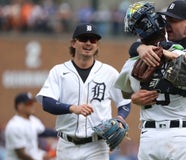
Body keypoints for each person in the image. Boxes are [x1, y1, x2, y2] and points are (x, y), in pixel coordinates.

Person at [116, 1, 186, 159]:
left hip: (150, 136)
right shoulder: (182, 56)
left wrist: (135, 96)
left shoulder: (130, 63)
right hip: (180, 134)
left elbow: (125, 92)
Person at [36, 23, 131, 160]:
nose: (88, 43)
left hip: (97, 146)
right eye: (83, 39)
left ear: (97, 45)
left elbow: (125, 102)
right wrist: (72, 108)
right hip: (67, 145)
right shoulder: (59, 71)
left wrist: (121, 117)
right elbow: (47, 103)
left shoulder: (109, 73)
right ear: (73, 43)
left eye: (93, 40)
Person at [4, 92, 52, 160]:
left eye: (32, 103)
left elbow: (43, 132)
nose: (32, 106)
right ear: (20, 106)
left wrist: (60, 134)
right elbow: (21, 154)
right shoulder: (14, 126)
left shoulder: (33, 120)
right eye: (28, 104)